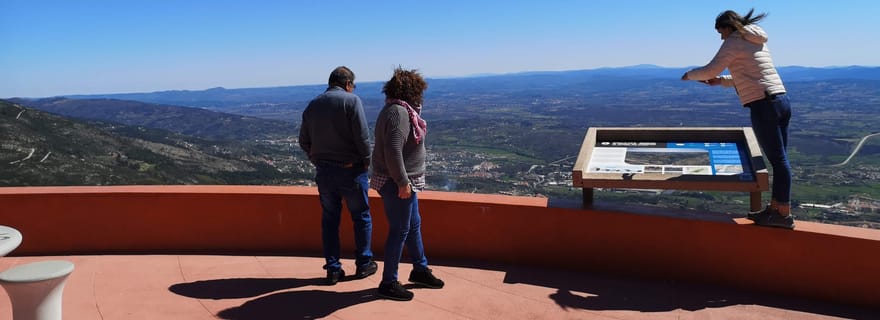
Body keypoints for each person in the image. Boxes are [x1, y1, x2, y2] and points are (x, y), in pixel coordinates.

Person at [681, 9, 794, 229]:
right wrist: (721, 82)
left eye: (720, 32)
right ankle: (775, 209)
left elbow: (708, 70)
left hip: (764, 105)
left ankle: (783, 214)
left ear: (727, 27)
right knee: (780, 160)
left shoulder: (734, 40)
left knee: (779, 162)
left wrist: (689, 75)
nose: (721, 37)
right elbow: (750, 75)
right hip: (781, 101)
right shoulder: (756, 39)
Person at [371, 67, 444, 301]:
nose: (421, 96)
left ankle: (420, 269)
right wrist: (403, 182)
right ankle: (388, 282)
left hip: (403, 181)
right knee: (400, 230)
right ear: (411, 91)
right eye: (419, 91)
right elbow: (393, 151)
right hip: (397, 183)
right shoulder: (398, 113)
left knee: (413, 225)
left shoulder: (400, 110)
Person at [299, 66, 377, 284]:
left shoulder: (313, 105)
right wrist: (366, 162)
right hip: (351, 171)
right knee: (361, 217)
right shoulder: (351, 102)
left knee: (330, 220)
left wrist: (315, 158)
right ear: (348, 84)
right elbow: (362, 138)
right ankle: (364, 264)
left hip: (324, 172)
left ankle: (333, 269)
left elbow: (303, 140)